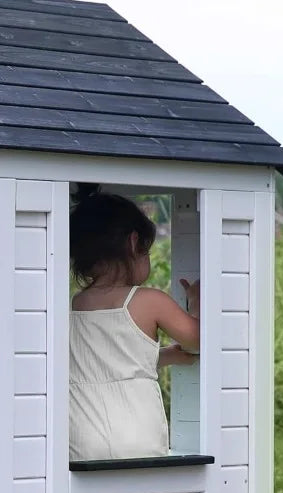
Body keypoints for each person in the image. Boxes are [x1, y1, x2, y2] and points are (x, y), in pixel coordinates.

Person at [69, 185, 200, 461]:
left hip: (81, 436)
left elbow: (104, 361)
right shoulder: (147, 300)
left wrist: (164, 356)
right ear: (133, 243)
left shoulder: (73, 305)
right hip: (137, 433)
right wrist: (196, 302)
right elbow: (198, 340)